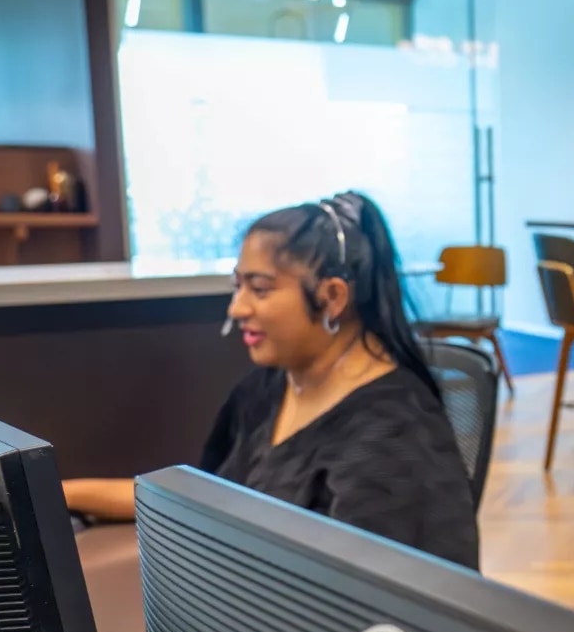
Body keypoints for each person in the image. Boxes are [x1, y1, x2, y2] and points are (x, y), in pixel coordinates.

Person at [64, 191, 480, 571]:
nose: (237, 307)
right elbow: (201, 497)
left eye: (259, 289)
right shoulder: (265, 390)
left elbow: (382, 610)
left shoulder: (393, 433)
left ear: (332, 297)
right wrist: (65, 493)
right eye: (237, 286)